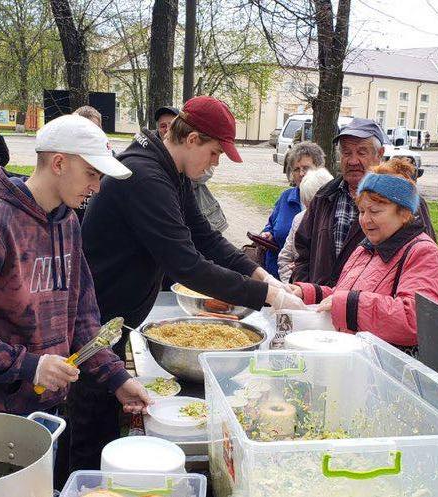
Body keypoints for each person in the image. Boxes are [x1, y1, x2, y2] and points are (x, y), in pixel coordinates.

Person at [68, 96, 303, 471]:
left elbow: (206, 238)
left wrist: (264, 276)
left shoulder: (170, 173)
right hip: (92, 320)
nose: (215, 163)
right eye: (214, 153)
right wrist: (269, 297)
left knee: (102, 424)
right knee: (88, 430)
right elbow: (187, 265)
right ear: (191, 139)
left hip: (114, 320)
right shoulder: (144, 177)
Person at [0, 115, 149, 422]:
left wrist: (116, 378)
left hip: (47, 409)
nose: (97, 188)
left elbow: (82, 315)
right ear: (58, 163)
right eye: (91, 174)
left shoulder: (68, 222)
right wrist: (30, 367)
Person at [292, 158, 438, 352]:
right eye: (361, 211)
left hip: (391, 373)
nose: (365, 220)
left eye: (375, 211)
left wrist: (348, 304)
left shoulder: (423, 253)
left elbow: (418, 320)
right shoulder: (365, 248)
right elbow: (343, 294)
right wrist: (307, 293)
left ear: (404, 213)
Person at [292, 117, 436, 285]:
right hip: (319, 306)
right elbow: (303, 252)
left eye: (362, 152)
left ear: (380, 154)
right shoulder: (324, 196)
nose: (353, 161)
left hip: (371, 308)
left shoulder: (406, 202)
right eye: (346, 153)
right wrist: (306, 292)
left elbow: (421, 265)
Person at [260, 141, 324, 278]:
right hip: (276, 275)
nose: (301, 173)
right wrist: (267, 233)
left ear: (319, 169)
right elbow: (271, 225)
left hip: (311, 281)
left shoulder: (327, 201)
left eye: (306, 168)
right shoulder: (286, 198)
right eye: (296, 169)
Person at [278, 167, 334, 283]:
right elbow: (284, 259)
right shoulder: (299, 220)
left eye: (316, 206)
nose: (311, 212)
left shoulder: (338, 224)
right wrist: (295, 284)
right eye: (308, 206)